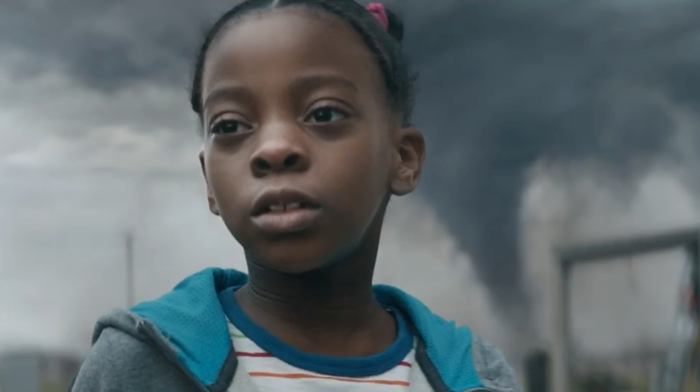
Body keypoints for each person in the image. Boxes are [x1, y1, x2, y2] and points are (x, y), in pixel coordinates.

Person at [69, 1, 521, 391]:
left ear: (402, 159)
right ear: (209, 181)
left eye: (323, 113)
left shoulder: (476, 378)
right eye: (230, 126)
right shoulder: (137, 367)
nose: (274, 148)